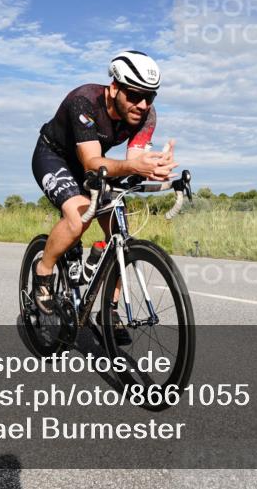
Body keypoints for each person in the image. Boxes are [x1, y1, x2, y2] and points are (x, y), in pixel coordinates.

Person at [31, 51, 176, 338]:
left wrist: (155, 171)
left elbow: (132, 160)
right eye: (135, 95)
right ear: (114, 88)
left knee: (119, 228)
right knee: (79, 216)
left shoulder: (145, 114)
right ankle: (43, 272)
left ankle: (108, 309)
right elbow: (89, 162)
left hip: (97, 166)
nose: (143, 104)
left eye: (151, 96)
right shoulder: (83, 101)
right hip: (56, 157)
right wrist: (132, 165)